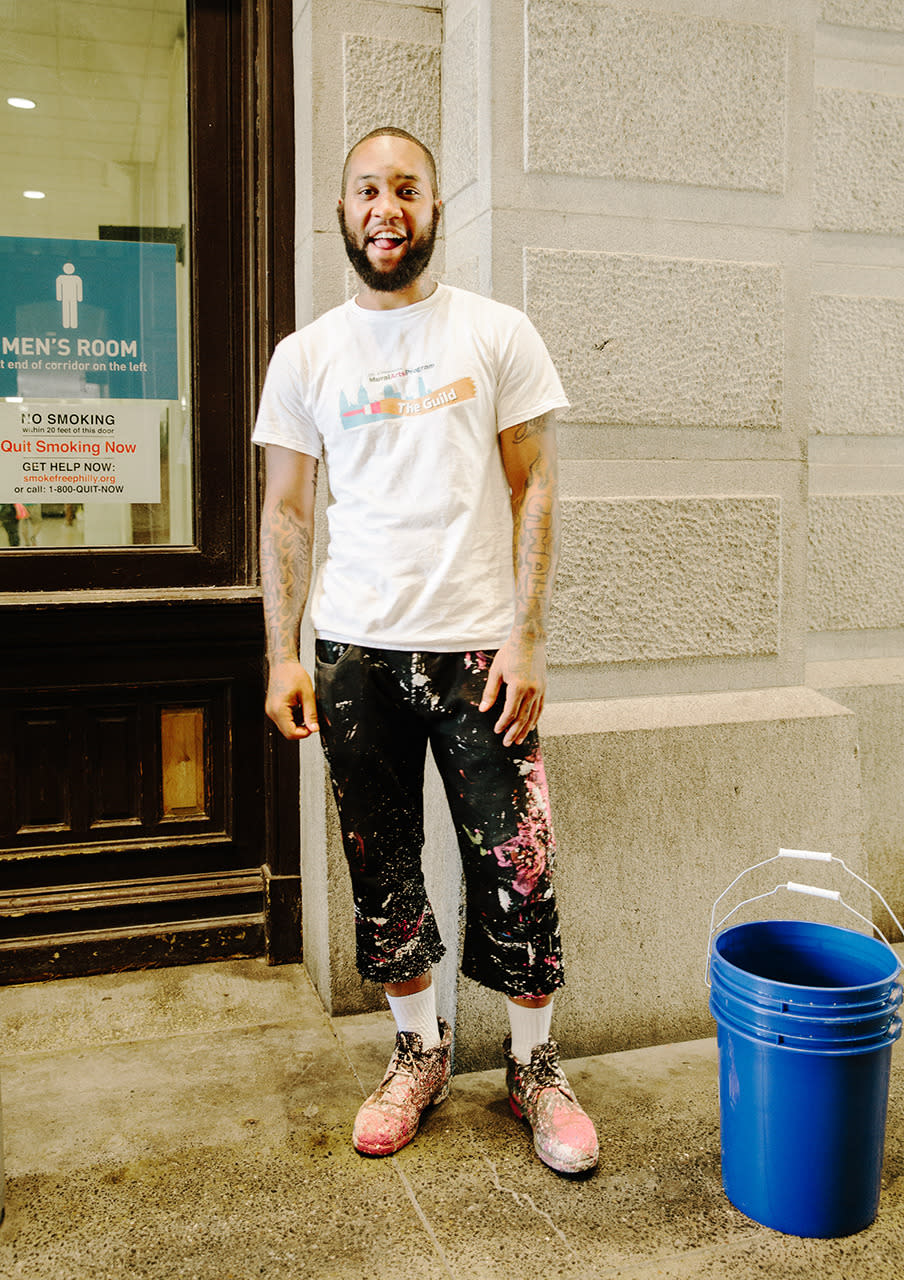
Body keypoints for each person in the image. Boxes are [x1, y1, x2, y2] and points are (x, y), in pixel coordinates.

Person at [253, 127, 598, 1175]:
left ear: (435, 206)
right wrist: (284, 651)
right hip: (355, 652)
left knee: (517, 865)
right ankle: (418, 1049)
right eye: (367, 189)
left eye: (406, 187)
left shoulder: (495, 333)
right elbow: (285, 511)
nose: (386, 206)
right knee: (381, 865)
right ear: (344, 212)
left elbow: (535, 482)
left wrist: (529, 635)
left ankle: (534, 1069)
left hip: (480, 653)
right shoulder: (305, 355)